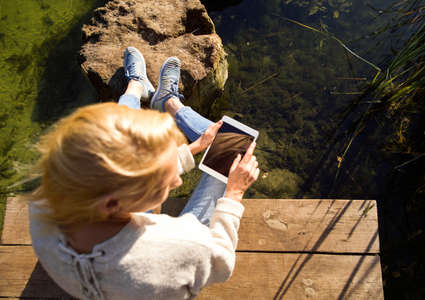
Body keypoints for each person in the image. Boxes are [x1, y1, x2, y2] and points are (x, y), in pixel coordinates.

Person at [28, 47, 259, 300]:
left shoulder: (44, 206)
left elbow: (114, 163)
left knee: (117, 133)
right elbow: (221, 262)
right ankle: (171, 104)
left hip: (85, 284)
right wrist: (234, 194)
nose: (178, 180)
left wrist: (194, 148)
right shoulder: (183, 244)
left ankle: (136, 88)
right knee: (236, 148)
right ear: (116, 203)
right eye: (162, 181)